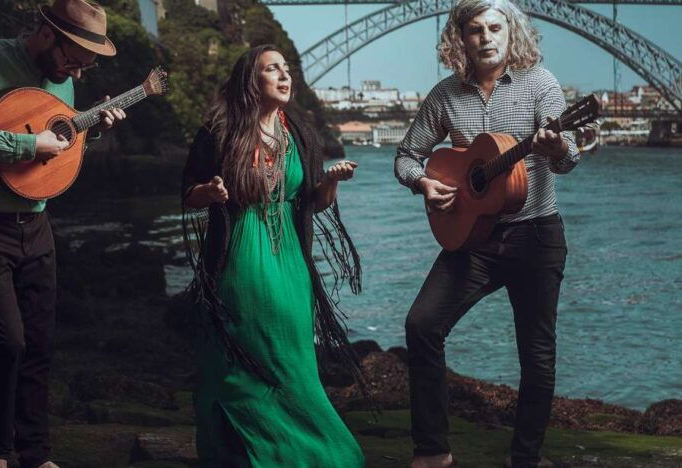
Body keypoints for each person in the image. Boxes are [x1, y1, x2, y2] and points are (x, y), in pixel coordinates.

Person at [0, 1, 126, 467]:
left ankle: (36, 455)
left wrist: (88, 132)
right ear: (46, 34)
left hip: (35, 225)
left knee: (39, 344)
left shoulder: (63, 81)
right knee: (6, 343)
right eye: (72, 62)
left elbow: (53, 147)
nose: (76, 76)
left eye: (85, 67)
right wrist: (22, 144)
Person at [394, 1, 580, 467]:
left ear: (511, 32)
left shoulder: (542, 84)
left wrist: (558, 145)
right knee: (422, 325)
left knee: (536, 353)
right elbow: (406, 156)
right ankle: (434, 450)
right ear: (461, 37)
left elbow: (570, 157)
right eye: (475, 30)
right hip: (472, 239)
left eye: (495, 27)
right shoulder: (444, 95)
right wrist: (424, 182)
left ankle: (526, 458)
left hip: (535, 235)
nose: (486, 38)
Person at [182, 44, 366, 467]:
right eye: (272, 69)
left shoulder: (297, 131)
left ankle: (309, 454)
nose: (285, 76)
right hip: (241, 255)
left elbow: (311, 202)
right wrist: (209, 193)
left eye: (287, 69)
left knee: (294, 361)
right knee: (247, 360)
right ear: (252, 79)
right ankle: (246, 451)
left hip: (291, 264)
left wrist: (333, 183)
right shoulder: (220, 128)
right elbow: (189, 191)